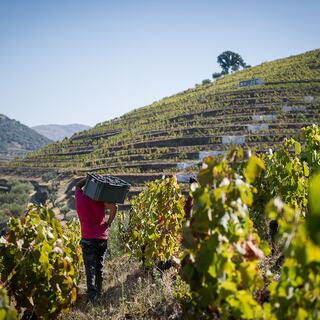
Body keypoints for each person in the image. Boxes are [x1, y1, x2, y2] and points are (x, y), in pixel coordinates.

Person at [74, 177, 118, 302]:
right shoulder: (99, 199)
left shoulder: (79, 196)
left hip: (88, 239)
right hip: (102, 238)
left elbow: (78, 185)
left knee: (90, 269)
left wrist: (89, 178)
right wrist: (108, 223)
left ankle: (92, 296)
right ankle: (99, 292)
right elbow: (114, 207)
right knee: (99, 267)